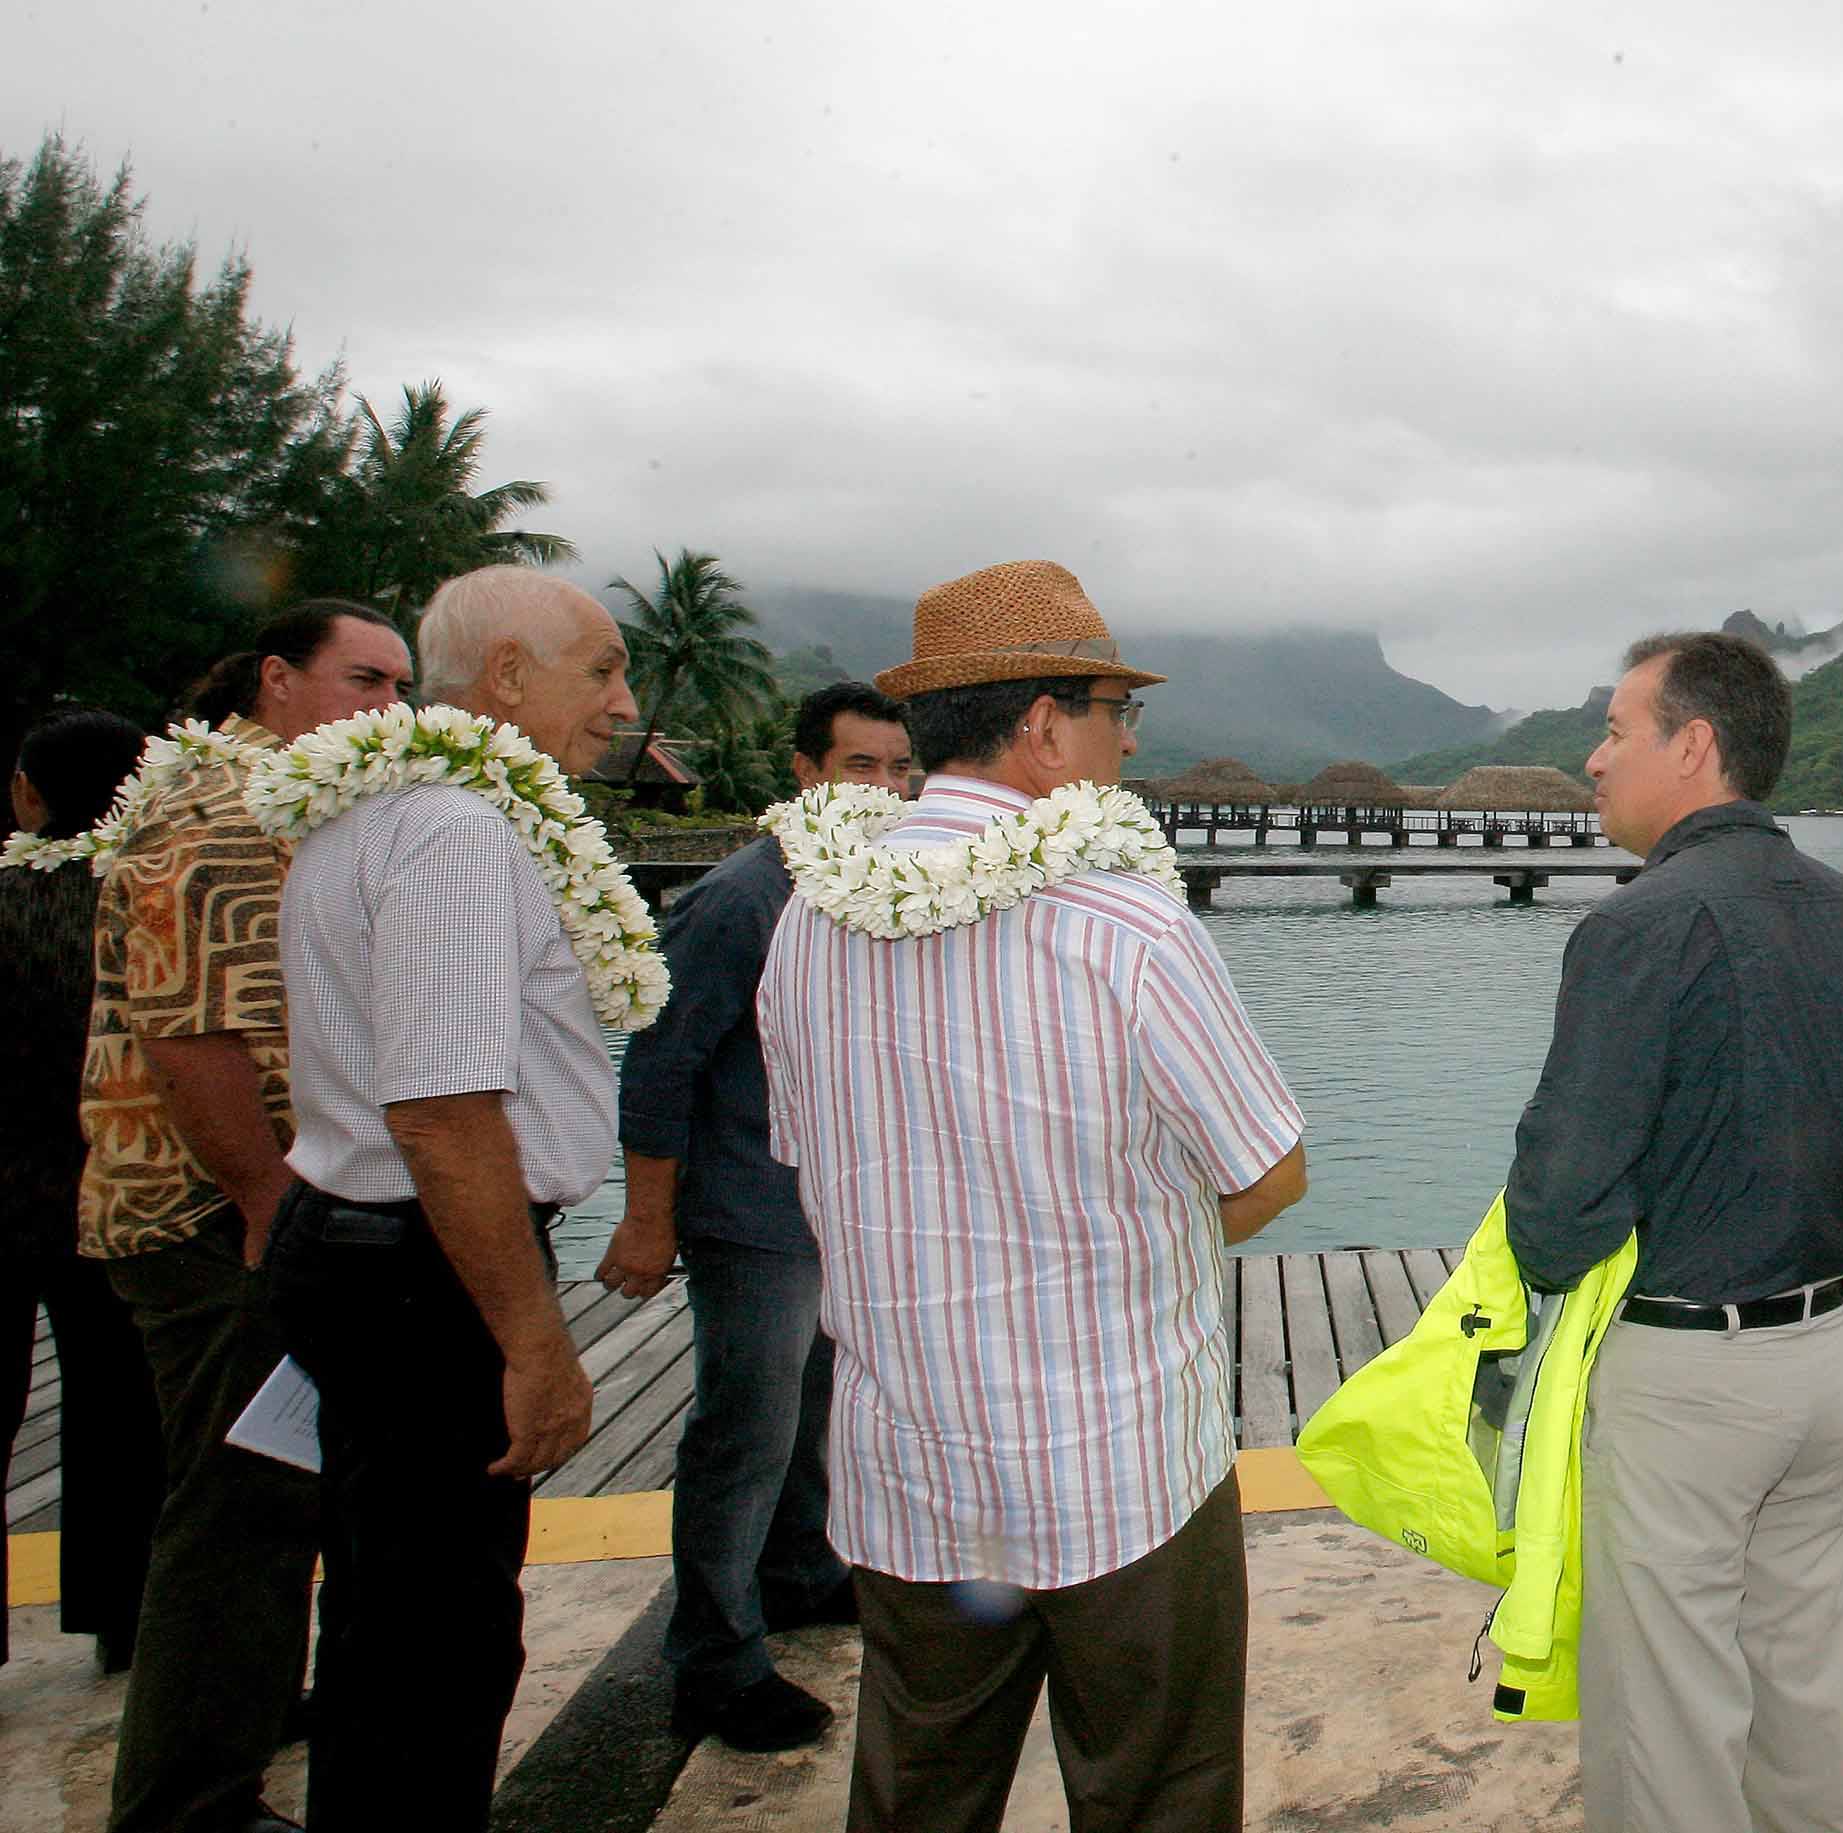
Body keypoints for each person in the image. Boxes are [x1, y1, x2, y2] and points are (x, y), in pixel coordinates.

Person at [756, 560, 1308, 1833]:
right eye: (1121, 713)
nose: (1127, 742)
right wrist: (1112, 1236)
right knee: (1154, 1790)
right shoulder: (1124, 924)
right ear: (1047, 726)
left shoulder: (814, 918)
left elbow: (807, 1154)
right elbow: (1268, 1172)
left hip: (911, 1461)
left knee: (920, 1791)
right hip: (1113, 1465)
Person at [1504, 630, 1843, 1833]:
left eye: (1617, 730)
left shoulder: (1638, 930)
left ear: (1692, 748)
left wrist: (1575, 1249)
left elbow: (1557, 1215)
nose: (1594, 758)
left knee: (1664, 1717)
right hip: (1824, 1363)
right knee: (1802, 1683)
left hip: (1685, 1375)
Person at [267, 565, 637, 1832]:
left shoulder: (373, 808)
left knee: (383, 1606)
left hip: (367, 1241)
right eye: (601, 670)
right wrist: (535, 1344)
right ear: (507, 677)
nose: (625, 703)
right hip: (421, 1263)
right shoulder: (460, 834)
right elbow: (442, 1110)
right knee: (444, 1635)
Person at [80, 602, 412, 1833]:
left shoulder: (284, 802)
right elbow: (191, 1037)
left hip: (249, 1203)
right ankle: (189, 1803)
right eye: (363, 682)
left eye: (399, 687)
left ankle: (246, 1713)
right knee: (239, 1513)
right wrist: (272, 1209)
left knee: (277, 1498)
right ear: (278, 681)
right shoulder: (221, 813)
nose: (388, 710)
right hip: (210, 1213)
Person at [598, 681, 914, 1752]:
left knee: (818, 1406)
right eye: (861, 766)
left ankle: (801, 1572)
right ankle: (714, 1657)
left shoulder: (869, 887)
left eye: (898, 769)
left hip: (835, 1206)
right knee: (744, 1428)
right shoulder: (743, 897)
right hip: (750, 1207)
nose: (883, 787)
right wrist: (648, 1219)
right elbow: (660, 1058)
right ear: (807, 772)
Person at [0, 709, 164, 1682]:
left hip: (5, 1191)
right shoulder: (147, 898)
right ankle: (125, 1614)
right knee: (124, 1411)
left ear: (29, 793)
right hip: (118, 1188)